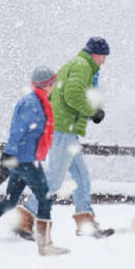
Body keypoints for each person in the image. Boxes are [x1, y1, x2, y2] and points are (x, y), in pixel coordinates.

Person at [0, 66, 69, 256]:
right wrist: (7, 159)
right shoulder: (33, 104)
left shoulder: (37, 101)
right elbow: (18, 132)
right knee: (45, 198)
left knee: (11, 200)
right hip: (26, 160)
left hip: (22, 159)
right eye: (53, 82)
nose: (54, 85)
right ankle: (45, 245)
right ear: (47, 84)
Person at [48, 36, 113, 238]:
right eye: (103, 56)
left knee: (81, 177)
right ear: (95, 54)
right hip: (63, 128)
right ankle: (26, 215)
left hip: (65, 127)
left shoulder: (79, 65)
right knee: (54, 180)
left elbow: (56, 93)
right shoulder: (82, 66)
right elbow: (72, 95)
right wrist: (91, 111)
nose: (104, 61)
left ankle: (85, 222)